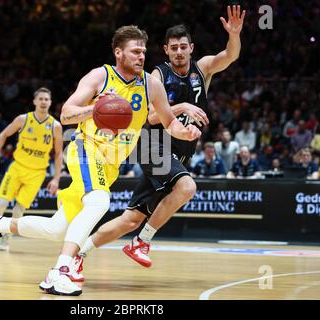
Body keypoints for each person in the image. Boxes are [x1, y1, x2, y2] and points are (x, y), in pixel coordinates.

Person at [0, 25, 201, 296]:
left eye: (143, 52)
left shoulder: (151, 84)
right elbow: (66, 114)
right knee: (100, 201)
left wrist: (184, 130)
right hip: (85, 149)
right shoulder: (100, 76)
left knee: (57, 228)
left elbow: (168, 121)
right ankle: (60, 272)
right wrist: (97, 107)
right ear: (118, 52)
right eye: (135, 51)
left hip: (111, 164)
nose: (141, 56)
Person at [77, 5, 245, 272]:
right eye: (173, 47)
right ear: (166, 50)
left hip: (178, 152)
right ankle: (141, 243)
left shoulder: (202, 69)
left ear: (191, 48)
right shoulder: (157, 75)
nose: (178, 51)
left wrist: (234, 34)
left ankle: (78, 254)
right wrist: (181, 108)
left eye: (183, 46)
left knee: (131, 218)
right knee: (187, 187)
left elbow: (230, 55)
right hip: (151, 147)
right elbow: (152, 116)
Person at [0, 87, 63, 251]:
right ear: (34, 102)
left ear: (50, 102)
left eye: (47, 99)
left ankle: (5, 240)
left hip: (37, 173)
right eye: (41, 99)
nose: (44, 102)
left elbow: (59, 153)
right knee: (1, 203)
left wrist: (56, 178)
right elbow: (3, 135)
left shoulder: (55, 126)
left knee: (19, 210)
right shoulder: (23, 119)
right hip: (17, 168)